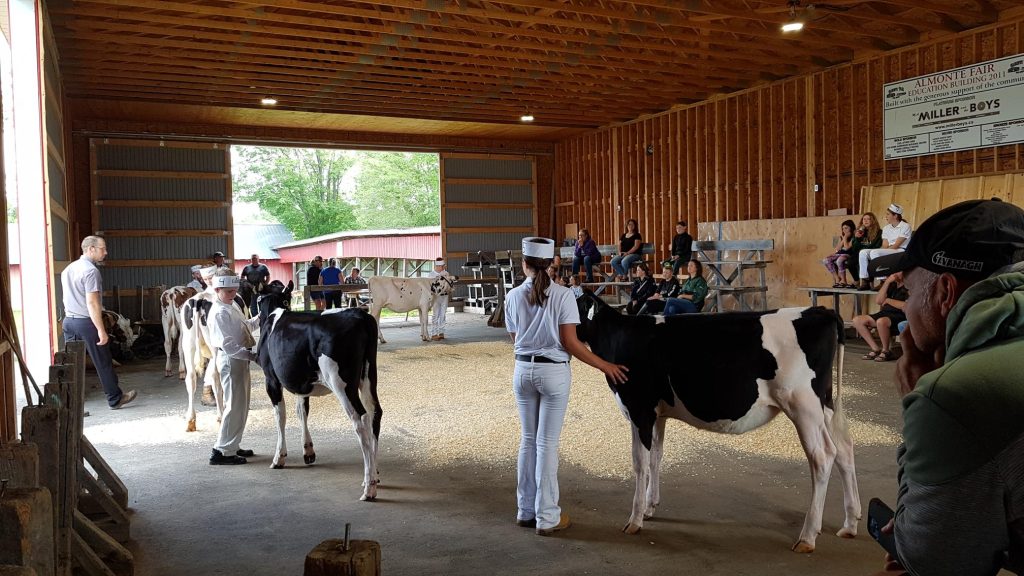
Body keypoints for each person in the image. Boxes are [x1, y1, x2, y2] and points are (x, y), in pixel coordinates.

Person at [866, 199, 1024, 576]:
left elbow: (932, 559)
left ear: (946, 292)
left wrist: (919, 400)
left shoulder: (954, 396)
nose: (904, 308)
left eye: (908, 293)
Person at [505, 236, 628, 537]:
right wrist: (605, 365)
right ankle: (547, 516)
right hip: (553, 372)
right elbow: (570, 343)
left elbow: (514, 337)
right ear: (551, 264)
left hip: (522, 368)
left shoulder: (512, 296)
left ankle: (526, 510)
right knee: (546, 443)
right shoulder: (562, 296)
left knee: (528, 440)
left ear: (524, 264)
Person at [60, 236, 137, 409]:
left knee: (72, 363)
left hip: (69, 321)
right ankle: (115, 398)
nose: (106, 252)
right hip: (86, 323)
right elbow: (92, 303)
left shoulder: (68, 269)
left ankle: (69, 402)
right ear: (91, 249)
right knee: (102, 361)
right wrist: (101, 330)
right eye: (103, 248)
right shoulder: (91, 271)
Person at [207, 270, 260, 465]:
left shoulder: (231, 305)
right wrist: (253, 356)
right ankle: (221, 451)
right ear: (217, 289)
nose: (233, 294)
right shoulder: (220, 312)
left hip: (239, 358)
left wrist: (261, 317)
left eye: (234, 290)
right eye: (228, 291)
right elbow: (229, 345)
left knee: (241, 404)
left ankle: (232, 444)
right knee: (233, 405)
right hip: (231, 359)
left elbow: (243, 327)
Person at [851, 272, 907, 362]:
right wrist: (887, 282)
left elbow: (906, 306)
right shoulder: (892, 285)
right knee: (857, 320)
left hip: (900, 315)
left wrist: (888, 300)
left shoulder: (909, 286)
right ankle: (875, 349)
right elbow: (879, 301)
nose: (894, 274)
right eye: (893, 272)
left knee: (881, 321)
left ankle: (886, 351)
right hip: (885, 313)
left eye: (898, 271)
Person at [857, 204, 911, 290]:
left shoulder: (905, 226)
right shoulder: (886, 228)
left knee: (875, 252)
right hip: (890, 249)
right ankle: (865, 280)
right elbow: (884, 245)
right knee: (863, 252)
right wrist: (881, 250)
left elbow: (896, 245)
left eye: (888, 214)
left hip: (900, 250)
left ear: (895, 215)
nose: (886, 216)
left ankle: (883, 281)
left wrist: (880, 251)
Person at [822, 219, 857, 288]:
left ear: (851, 228)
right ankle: (837, 278)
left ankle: (844, 281)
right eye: (843, 228)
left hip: (849, 255)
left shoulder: (854, 237)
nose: (844, 230)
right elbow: (838, 249)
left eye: (846, 228)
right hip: (841, 254)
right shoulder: (844, 237)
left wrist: (845, 238)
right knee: (825, 260)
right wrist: (834, 254)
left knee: (839, 260)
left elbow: (847, 248)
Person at [428, 257, 451, 341]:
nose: (443, 267)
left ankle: (441, 332)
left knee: (443, 314)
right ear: (438, 266)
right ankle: (433, 333)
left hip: (444, 296)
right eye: (442, 266)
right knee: (435, 315)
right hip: (436, 297)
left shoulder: (446, 273)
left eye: (443, 266)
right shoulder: (431, 275)